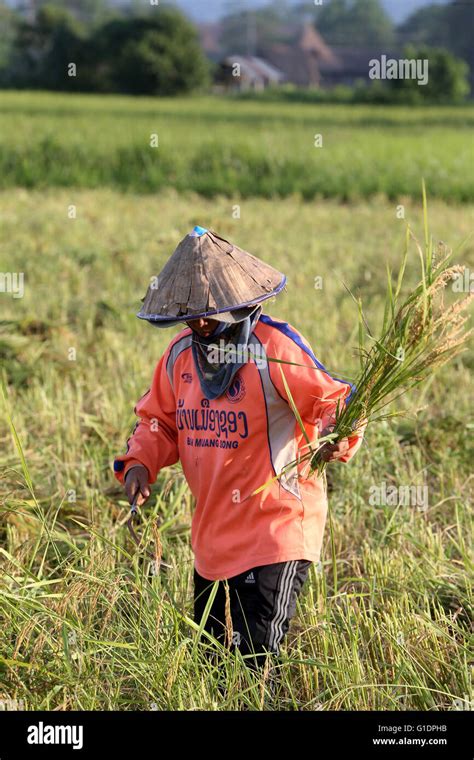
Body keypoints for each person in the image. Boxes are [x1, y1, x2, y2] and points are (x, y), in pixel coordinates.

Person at [113, 226, 364, 677]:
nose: (201, 323)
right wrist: (140, 463)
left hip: (275, 530)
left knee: (254, 667)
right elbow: (159, 421)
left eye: (211, 312)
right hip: (212, 539)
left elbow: (332, 402)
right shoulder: (179, 358)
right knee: (210, 666)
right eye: (191, 315)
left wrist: (335, 435)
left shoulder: (276, 349)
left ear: (241, 301)